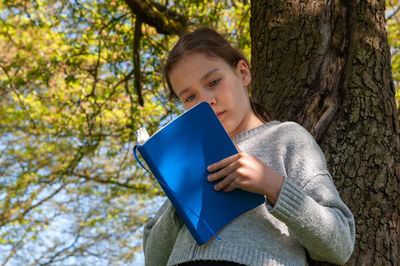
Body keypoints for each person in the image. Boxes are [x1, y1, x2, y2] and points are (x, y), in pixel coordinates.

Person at [142, 27, 355, 266]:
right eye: (190, 97)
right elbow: (153, 259)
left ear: (242, 72)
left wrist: (273, 185)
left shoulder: (286, 137)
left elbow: (341, 243)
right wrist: (181, 204)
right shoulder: (192, 160)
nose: (205, 101)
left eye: (213, 81)